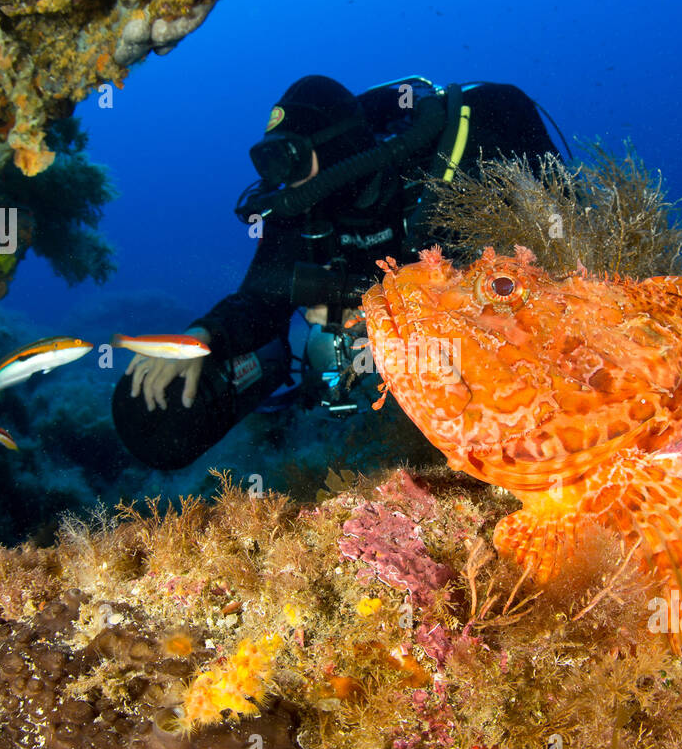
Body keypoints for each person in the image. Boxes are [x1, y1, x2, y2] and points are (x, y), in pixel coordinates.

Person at [111, 74, 565, 470]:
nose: (284, 181)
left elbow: (512, 284)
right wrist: (202, 336)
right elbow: (260, 298)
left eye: (290, 158)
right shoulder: (300, 211)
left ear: (336, 145)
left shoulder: (430, 179)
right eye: (270, 164)